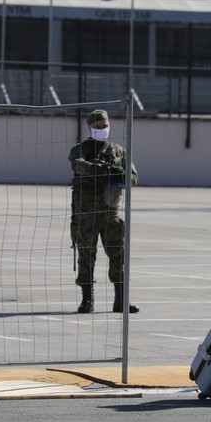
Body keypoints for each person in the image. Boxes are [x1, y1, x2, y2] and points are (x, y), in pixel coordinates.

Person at [69, 109, 140, 314]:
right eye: (97, 127)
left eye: (104, 126)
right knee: (86, 254)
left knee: (118, 254)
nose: (102, 129)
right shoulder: (81, 149)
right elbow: (77, 164)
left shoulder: (119, 152)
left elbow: (134, 177)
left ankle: (120, 300)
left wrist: (121, 175)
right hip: (87, 212)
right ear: (90, 127)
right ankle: (87, 299)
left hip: (111, 211)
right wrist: (96, 168)